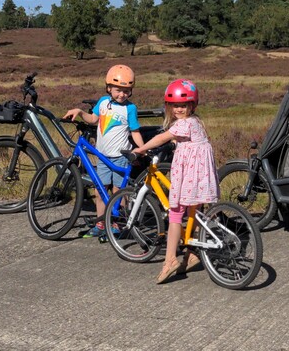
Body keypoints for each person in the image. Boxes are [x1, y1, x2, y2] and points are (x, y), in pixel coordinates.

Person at [132, 79, 218, 284]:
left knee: (175, 213)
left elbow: (162, 138)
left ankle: (170, 259)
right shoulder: (196, 122)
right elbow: (180, 140)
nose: (179, 109)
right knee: (194, 211)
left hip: (188, 173)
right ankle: (192, 253)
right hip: (200, 175)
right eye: (175, 105)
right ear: (169, 106)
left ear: (192, 106)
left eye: (183, 105)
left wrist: (141, 149)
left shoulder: (183, 124)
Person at [63, 64, 145, 238]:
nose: (122, 94)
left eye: (126, 91)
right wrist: (79, 112)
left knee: (118, 193)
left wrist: (142, 148)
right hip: (103, 156)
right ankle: (100, 223)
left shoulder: (130, 108)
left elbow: (135, 131)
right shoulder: (102, 102)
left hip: (120, 157)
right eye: (118, 90)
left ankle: (117, 223)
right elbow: (93, 119)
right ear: (109, 88)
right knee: (100, 191)